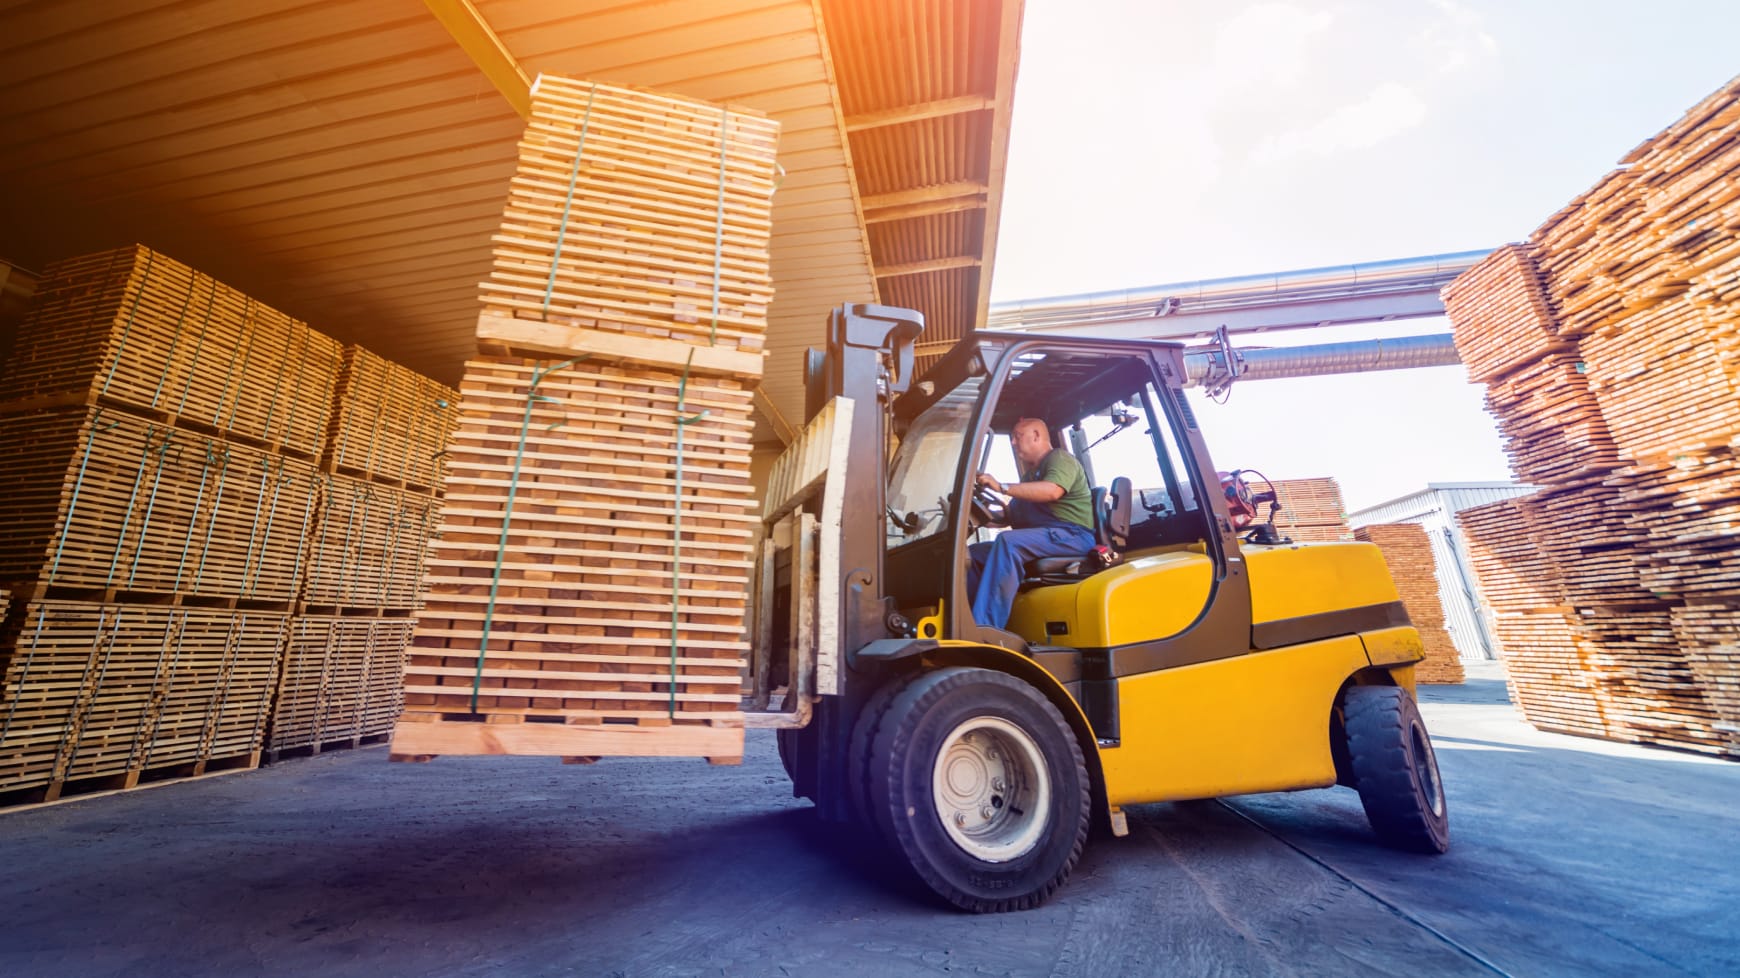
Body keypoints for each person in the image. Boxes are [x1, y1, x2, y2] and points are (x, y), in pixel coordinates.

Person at [966, 417, 1097, 630]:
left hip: (1071, 535)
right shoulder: (1030, 477)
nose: (1013, 442)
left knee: (1008, 543)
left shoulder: (1059, 459)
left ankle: (984, 628)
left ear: (1036, 436)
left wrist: (1001, 487)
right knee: (974, 555)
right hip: (1046, 537)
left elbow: (1052, 491)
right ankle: (967, 620)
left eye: (1017, 436)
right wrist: (972, 516)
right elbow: (1009, 517)